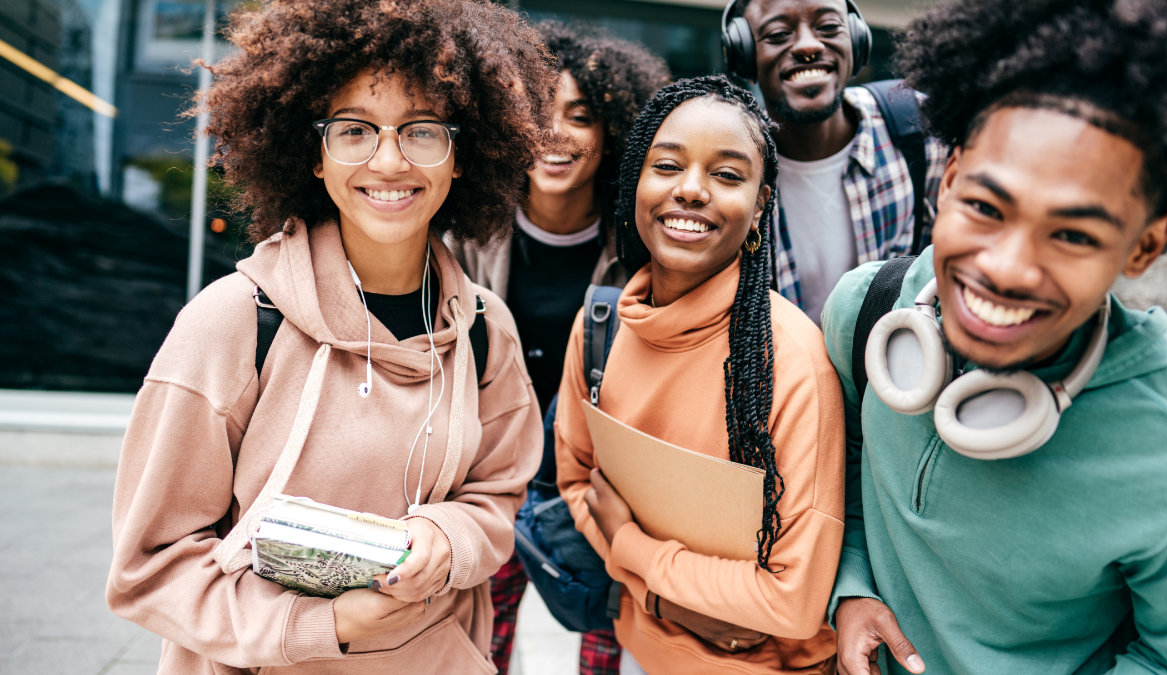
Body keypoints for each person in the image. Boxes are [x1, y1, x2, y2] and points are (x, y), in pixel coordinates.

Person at [104, 0, 554, 672]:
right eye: (354, 129)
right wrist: (324, 623)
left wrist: (446, 534)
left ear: (462, 156)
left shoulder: (486, 330)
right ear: (313, 154)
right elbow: (149, 567)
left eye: (422, 130)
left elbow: (497, 494)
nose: (389, 159)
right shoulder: (234, 322)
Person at [820, 0, 1167, 673]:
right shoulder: (864, 311)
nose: (1005, 269)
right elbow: (839, 469)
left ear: (1145, 246)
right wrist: (850, 586)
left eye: (1074, 234)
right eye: (986, 207)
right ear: (951, 175)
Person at [555, 74, 846, 675]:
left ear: (762, 204)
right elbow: (577, 481)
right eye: (666, 166)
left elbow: (792, 605)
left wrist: (633, 552)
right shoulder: (600, 327)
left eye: (728, 175)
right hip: (640, 650)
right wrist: (666, 602)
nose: (690, 190)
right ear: (636, 179)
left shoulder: (792, 365)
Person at [449, 20, 670, 675]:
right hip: (490, 476)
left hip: (595, 488)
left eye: (581, 115)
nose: (556, 132)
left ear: (612, 135)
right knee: (477, 648)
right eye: (539, 110)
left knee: (604, 651)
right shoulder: (468, 228)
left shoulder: (638, 244)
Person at [722, 0, 950, 323]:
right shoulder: (730, 171)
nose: (808, 46)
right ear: (743, 56)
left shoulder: (921, 129)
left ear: (856, 40)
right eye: (778, 33)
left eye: (828, 27)